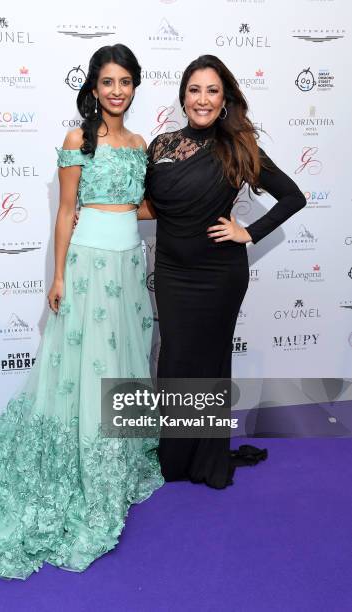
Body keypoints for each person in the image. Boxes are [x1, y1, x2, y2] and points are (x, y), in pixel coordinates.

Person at [0, 44, 163, 583]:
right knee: (83, 373)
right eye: (108, 82)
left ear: (135, 87)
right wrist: (61, 274)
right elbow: (68, 211)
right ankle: (78, 465)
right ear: (94, 88)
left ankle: (116, 462)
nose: (117, 91)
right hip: (90, 269)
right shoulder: (78, 141)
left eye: (125, 82)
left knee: (123, 368)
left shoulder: (141, 144)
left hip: (126, 270)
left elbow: (138, 206)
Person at [139, 55, 306, 489]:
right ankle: (173, 458)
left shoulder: (239, 147)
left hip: (219, 275)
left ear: (225, 98)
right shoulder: (160, 145)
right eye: (194, 90)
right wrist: (101, 214)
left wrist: (248, 232)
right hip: (173, 272)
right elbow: (150, 206)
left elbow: (293, 197)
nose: (202, 99)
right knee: (175, 359)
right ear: (183, 97)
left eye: (212, 90)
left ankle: (206, 458)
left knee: (209, 363)